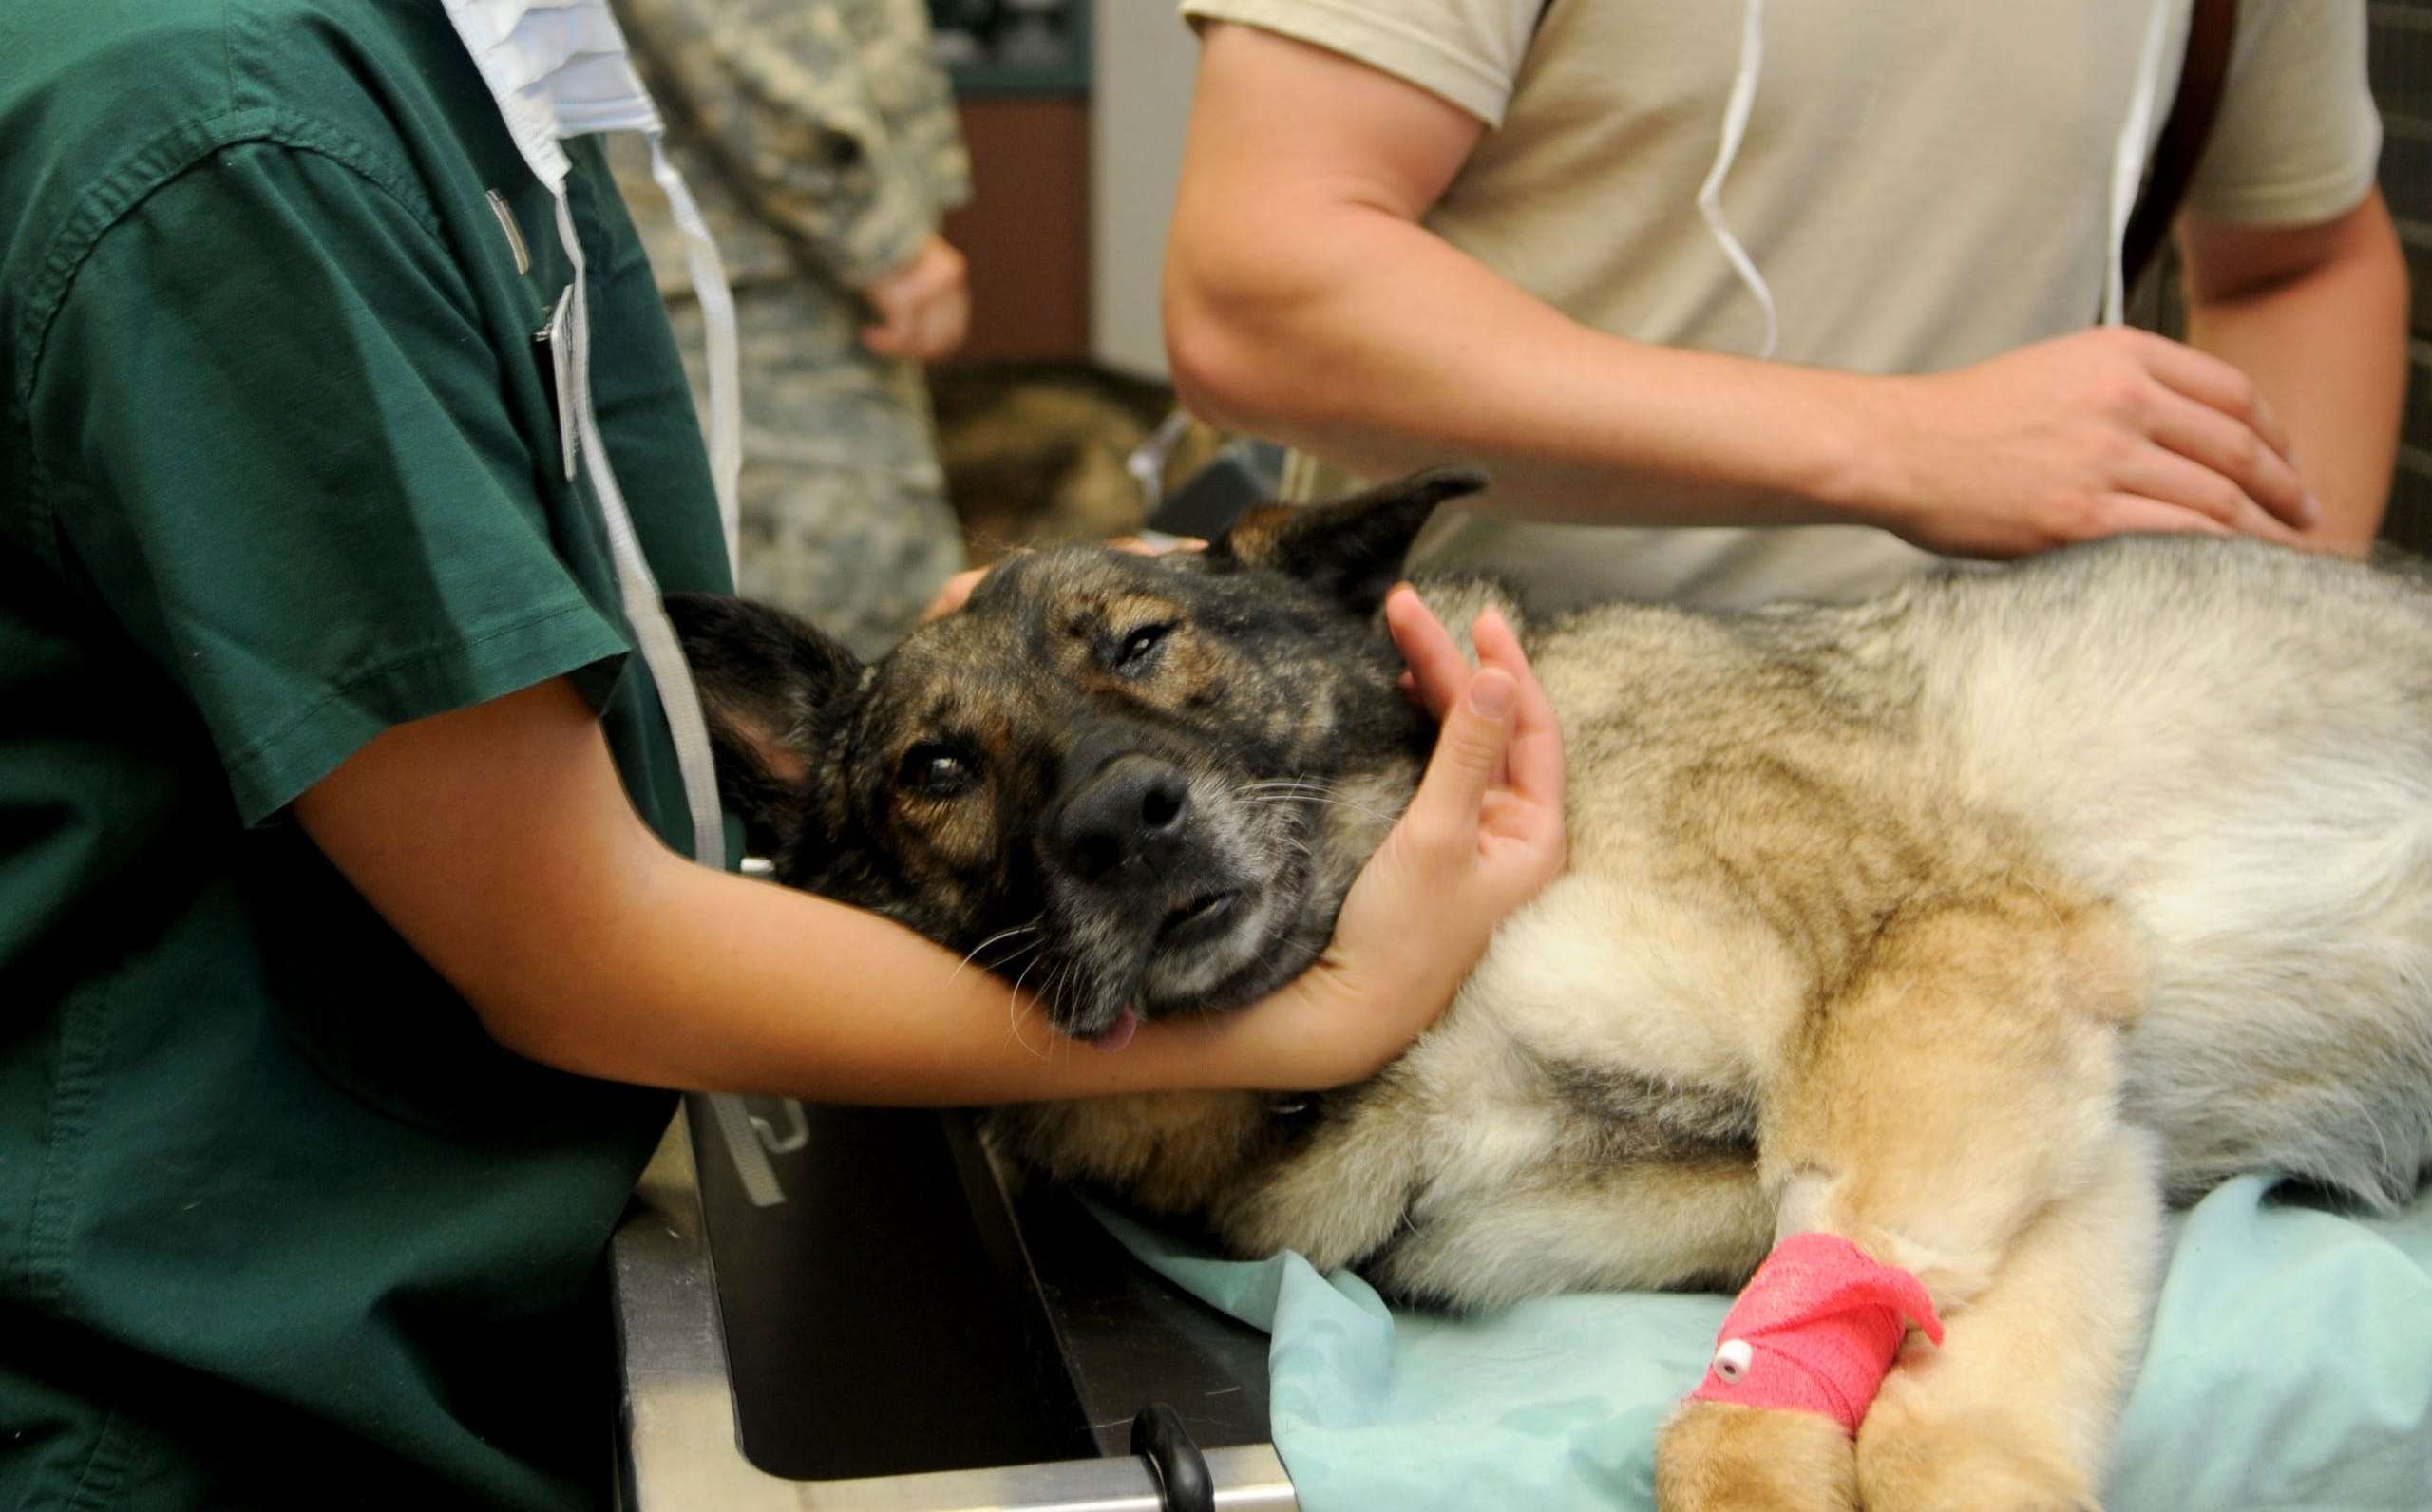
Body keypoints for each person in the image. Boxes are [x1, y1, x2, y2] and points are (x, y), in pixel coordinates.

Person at [0, 2, 1565, 1507]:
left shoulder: (469, 73)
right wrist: (1324, 1015)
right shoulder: (231, 145)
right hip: (218, 1374)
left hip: (398, 1281)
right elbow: (569, 944)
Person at [1161, 2, 2408, 613]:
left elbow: (2301, 260)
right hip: (1504, 798)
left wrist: (2277, 645)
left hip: (2029, 794)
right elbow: (1260, 290)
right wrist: (1901, 444)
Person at [609, 0, 978, 659]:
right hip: (752, 279)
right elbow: (741, 26)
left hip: (758, 265)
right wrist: (879, 235)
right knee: (834, 652)